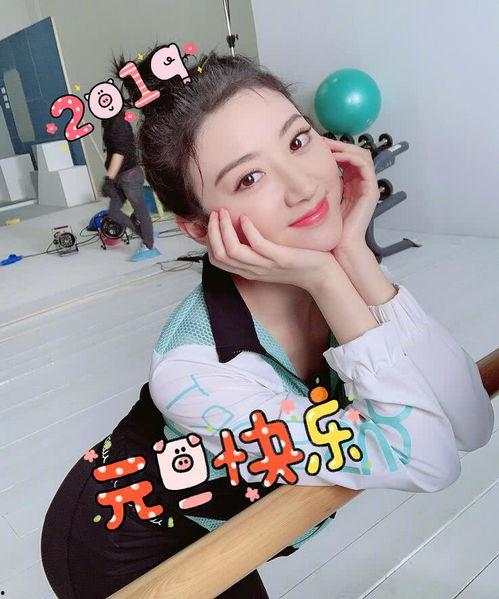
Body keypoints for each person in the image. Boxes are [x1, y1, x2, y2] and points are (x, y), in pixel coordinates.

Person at [41, 46, 494, 599]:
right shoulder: (194, 372)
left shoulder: (337, 277)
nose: (304, 186)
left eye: (298, 141)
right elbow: (428, 459)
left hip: (217, 525)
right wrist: (327, 277)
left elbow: (472, 424)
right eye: (249, 178)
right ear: (200, 228)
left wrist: (354, 256)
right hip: (121, 546)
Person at [101, 107, 155, 250]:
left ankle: (148, 244)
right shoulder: (108, 122)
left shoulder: (118, 123)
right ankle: (143, 234)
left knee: (140, 210)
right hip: (119, 176)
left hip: (129, 175)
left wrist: (108, 179)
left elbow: (119, 153)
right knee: (114, 212)